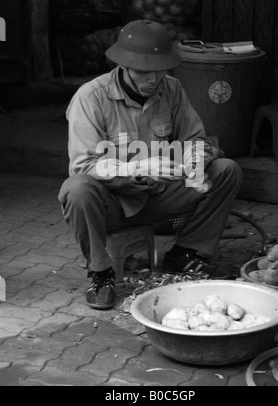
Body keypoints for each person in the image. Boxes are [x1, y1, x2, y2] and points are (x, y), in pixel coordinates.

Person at [58, 19, 243, 310]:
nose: (153, 79)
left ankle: (185, 254)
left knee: (226, 170)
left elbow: (196, 139)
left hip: (160, 196)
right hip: (113, 205)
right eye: (143, 71)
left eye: (160, 70)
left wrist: (194, 162)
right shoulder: (90, 97)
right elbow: (83, 167)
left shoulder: (171, 88)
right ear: (123, 66)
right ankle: (101, 273)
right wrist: (137, 167)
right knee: (77, 189)